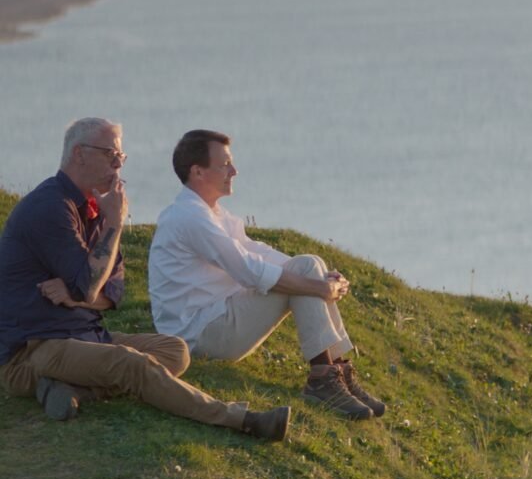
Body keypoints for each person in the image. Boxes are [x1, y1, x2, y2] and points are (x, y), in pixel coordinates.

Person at [0, 118, 289, 441]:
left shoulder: (96, 206)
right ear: (79, 154)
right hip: (33, 350)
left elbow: (113, 292)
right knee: (133, 364)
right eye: (110, 153)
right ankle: (242, 419)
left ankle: (72, 388)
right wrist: (113, 225)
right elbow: (90, 285)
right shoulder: (50, 206)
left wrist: (76, 295)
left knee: (175, 351)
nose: (117, 164)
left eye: (120, 157)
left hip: (85, 336)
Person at [149, 129, 384, 420]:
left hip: (217, 320)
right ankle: (323, 380)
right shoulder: (190, 217)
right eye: (224, 165)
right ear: (197, 171)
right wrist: (315, 285)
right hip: (199, 335)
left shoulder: (210, 212)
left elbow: (252, 250)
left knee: (309, 264)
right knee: (306, 270)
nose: (233, 171)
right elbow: (248, 270)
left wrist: (319, 279)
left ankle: (337, 372)